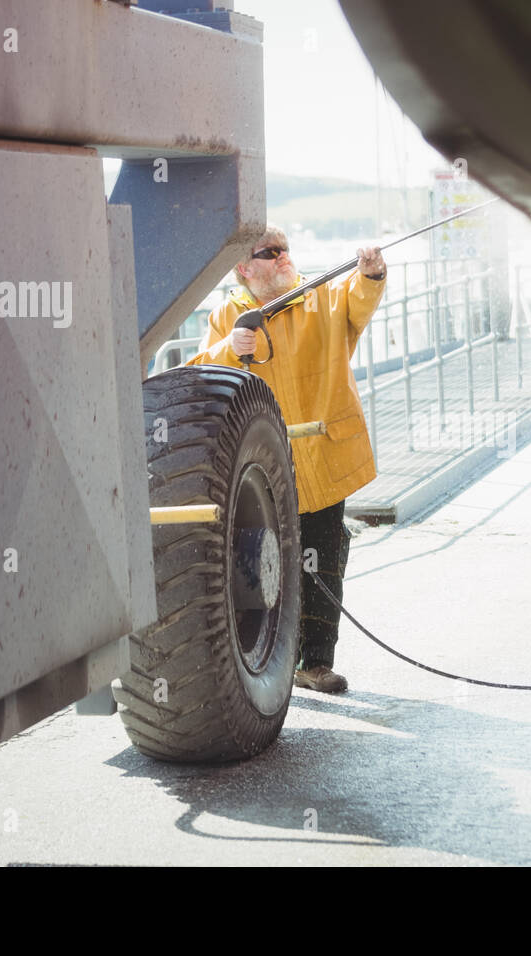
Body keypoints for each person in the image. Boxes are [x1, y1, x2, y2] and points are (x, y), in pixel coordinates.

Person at [184, 225, 386, 693]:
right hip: (264, 469)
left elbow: (357, 300)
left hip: (322, 454)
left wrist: (372, 274)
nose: (282, 258)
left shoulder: (320, 297)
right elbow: (202, 377)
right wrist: (230, 349)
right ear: (243, 267)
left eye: (285, 251)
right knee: (269, 562)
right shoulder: (226, 317)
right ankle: (273, 661)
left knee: (324, 556)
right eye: (269, 252)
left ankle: (316, 663)